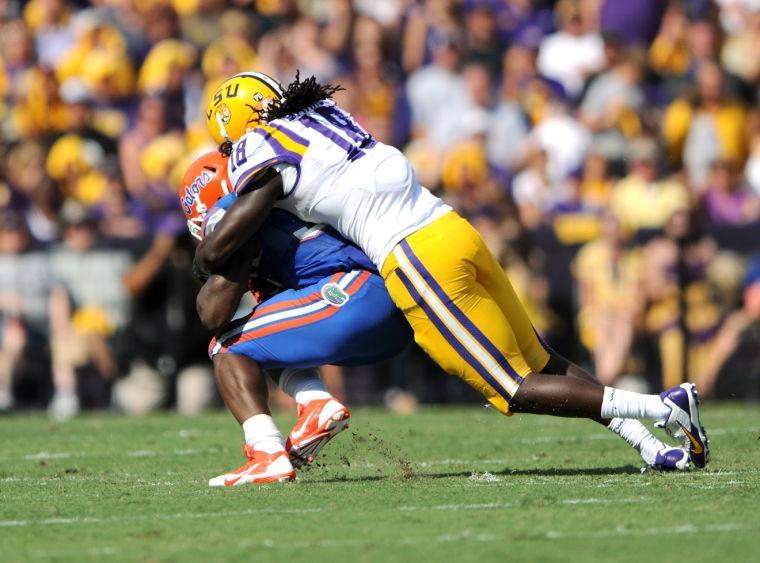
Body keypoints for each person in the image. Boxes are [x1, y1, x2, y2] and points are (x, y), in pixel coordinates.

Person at [196, 71, 709, 471]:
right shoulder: (323, 114)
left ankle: (663, 409)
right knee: (544, 361)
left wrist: (204, 248)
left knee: (512, 388)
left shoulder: (257, 146)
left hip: (414, 253)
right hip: (452, 227)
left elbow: (236, 227)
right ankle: (648, 443)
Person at [180, 151, 412, 486]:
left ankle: (266, 453)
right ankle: (314, 401)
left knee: (227, 346)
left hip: (353, 290)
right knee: (264, 341)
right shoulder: (278, 199)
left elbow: (213, 314)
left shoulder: (230, 207)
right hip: (388, 318)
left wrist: (205, 263)